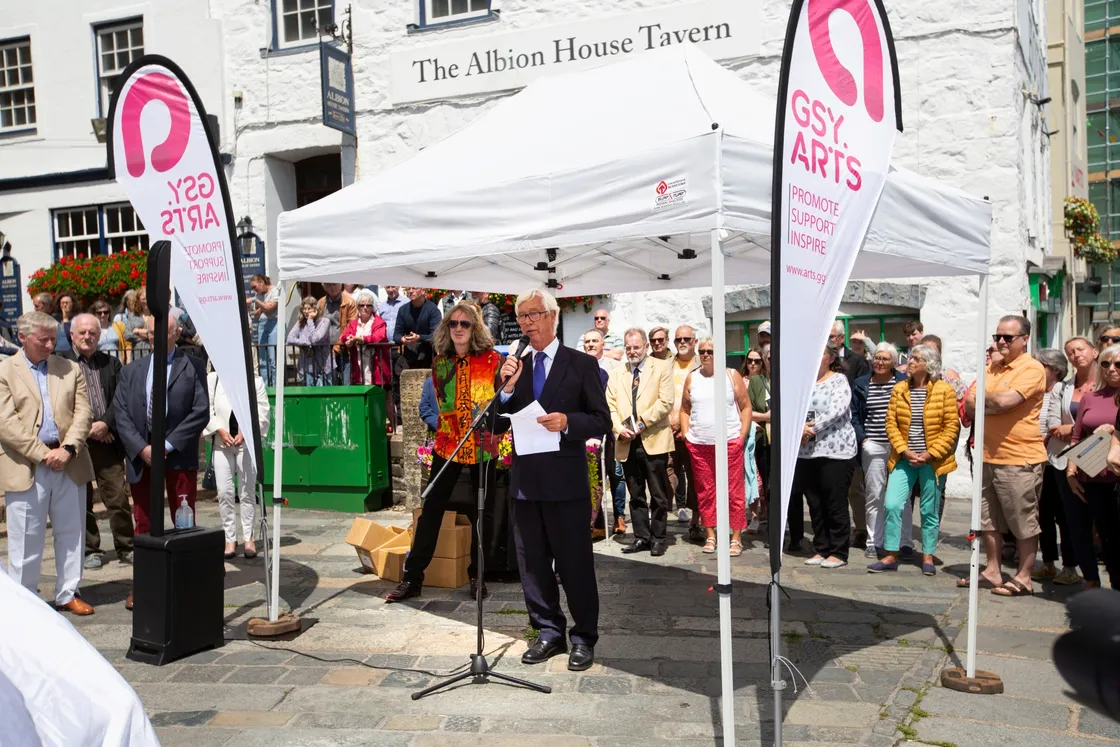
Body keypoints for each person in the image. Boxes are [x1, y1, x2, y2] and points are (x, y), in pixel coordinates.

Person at [497, 289, 610, 672]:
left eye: (533, 315)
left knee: (575, 563)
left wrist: (567, 423)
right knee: (532, 565)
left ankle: (583, 637)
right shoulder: (517, 365)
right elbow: (498, 422)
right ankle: (547, 631)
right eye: (522, 316)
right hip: (527, 484)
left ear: (552, 316)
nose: (526, 322)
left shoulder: (580, 364)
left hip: (566, 485)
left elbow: (601, 420)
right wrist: (507, 388)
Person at [386, 301, 506, 603]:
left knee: (483, 513)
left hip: (482, 447)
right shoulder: (440, 364)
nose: (459, 329)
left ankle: (478, 575)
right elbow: (442, 404)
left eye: (465, 324)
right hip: (449, 445)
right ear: (446, 328)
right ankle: (413, 578)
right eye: (453, 323)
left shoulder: (493, 360)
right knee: (431, 512)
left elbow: (502, 402)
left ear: (475, 327)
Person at [112, 312, 209, 610]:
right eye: (151, 331)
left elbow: (200, 411)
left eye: (161, 331)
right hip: (142, 459)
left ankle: (184, 582)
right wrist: (142, 448)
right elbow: (121, 412)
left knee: (184, 520)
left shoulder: (191, 365)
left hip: (177, 455)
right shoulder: (133, 370)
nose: (154, 336)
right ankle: (145, 584)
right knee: (143, 523)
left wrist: (165, 445)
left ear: (177, 332)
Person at [0, 312, 95, 614]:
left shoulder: (70, 368)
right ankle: (25, 603)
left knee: (72, 532)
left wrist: (67, 448)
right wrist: (43, 453)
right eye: (43, 339)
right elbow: (6, 423)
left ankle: (68, 592)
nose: (51, 344)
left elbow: (84, 412)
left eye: (54, 338)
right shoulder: (5, 371)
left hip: (69, 461)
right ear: (23, 338)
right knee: (26, 538)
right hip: (26, 465)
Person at [964, 315, 1046, 598]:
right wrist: (994, 404)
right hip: (987, 454)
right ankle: (992, 570)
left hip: (1019, 457)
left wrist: (991, 402)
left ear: (1024, 339)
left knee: (1022, 520)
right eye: (997, 336)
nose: (1000, 342)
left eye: (1007, 338)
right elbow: (970, 404)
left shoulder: (1032, 369)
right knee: (988, 519)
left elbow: (1007, 401)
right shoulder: (992, 367)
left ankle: (1024, 577)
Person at [867, 345, 958, 574]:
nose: (910, 362)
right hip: (903, 458)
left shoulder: (944, 390)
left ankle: (927, 556)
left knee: (929, 509)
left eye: (916, 359)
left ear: (929, 364)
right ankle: (890, 555)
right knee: (892, 504)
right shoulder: (900, 389)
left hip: (933, 462)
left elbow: (951, 427)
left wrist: (931, 453)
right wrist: (904, 450)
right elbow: (891, 423)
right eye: (910, 358)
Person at [61, 314, 133, 570]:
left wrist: (105, 423)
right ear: (72, 334)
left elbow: (120, 397)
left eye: (92, 332)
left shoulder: (110, 363)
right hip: (75, 443)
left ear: (99, 336)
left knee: (117, 496)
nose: (87, 337)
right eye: (82, 332)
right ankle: (90, 549)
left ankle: (127, 546)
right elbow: (57, 404)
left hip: (107, 439)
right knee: (83, 499)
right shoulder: (59, 363)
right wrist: (87, 429)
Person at [679, 337, 752, 556]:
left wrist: (741, 436)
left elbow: (746, 407)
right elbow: (684, 408)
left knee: (734, 492)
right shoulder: (692, 378)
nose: (705, 355)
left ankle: (736, 536)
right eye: (702, 351)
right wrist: (686, 435)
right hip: (700, 445)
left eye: (710, 351)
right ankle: (711, 534)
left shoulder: (731, 375)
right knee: (705, 492)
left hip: (729, 441)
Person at [607, 328, 675, 556]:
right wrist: (619, 428)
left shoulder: (662, 368)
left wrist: (640, 424)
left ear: (646, 347)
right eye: (628, 347)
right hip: (627, 442)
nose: (632, 351)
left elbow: (666, 402)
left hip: (652, 439)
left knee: (658, 494)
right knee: (635, 495)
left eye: (636, 347)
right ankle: (641, 537)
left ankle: (658, 537)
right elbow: (611, 406)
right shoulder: (617, 373)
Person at [791, 340, 857, 567]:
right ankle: (821, 548)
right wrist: (798, 428)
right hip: (807, 452)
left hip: (835, 452)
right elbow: (792, 407)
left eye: (821, 354)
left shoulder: (839, 380)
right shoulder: (803, 382)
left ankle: (839, 552)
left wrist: (811, 428)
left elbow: (837, 410)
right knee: (815, 503)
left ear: (830, 358)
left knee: (834, 502)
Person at [1066, 344, 1120, 590]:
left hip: (1116, 477)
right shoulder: (1090, 396)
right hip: (1094, 476)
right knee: (1102, 536)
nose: (1111, 369)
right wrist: (1071, 470)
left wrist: (1112, 430)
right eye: (1106, 364)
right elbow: (1076, 436)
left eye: (1118, 364)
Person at [202, 370, 270, 559]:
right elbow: (206, 410)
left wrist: (246, 433)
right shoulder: (213, 379)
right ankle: (230, 538)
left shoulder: (255, 381)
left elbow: (263, 413)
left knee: (247, 492)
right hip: (221, 444)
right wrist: (220, 430)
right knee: (224, 492)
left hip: (245, 444)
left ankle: (249, 537)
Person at [850, 342, 907, 558]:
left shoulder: (903, 383)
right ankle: (874, 540)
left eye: (884, 359)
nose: (879, 362)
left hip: (898, 446)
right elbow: (854, 415)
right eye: (876, 358)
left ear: (893, 362)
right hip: (872, 444)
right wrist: (863, 439)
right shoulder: (861, 383)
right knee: (874, 494)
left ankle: (903, 541)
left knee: (901, 496)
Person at [1035, 347, 1081, 585]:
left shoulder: (1063, 391)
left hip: (1061, 457)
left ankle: (1070, 567)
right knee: (1043, 513)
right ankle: (1049, 563)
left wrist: (1058, 431)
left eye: (1040, 365)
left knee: (1065, 515)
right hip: (1040, 459)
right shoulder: (1033, 391)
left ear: (1055, 370)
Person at [583, 329, 626, 534]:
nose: (591, 344)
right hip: (581, 434)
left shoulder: (606, 372)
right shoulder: (578, 368)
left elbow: (605, 406)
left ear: (603, 345)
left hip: (602, 436)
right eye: (587, 341)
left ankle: (611, 518)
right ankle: (597, 523)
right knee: (589, 480)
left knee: (606, 478)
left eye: (595, 341)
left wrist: (598, 435)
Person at [669, 326, 702, 538]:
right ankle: (662, 518)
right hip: (667, 431)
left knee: (696, 477)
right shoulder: (666, 365)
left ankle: (696, 522)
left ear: (694, 342)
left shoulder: (704, 364)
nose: (682, 342)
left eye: (686, 339)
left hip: (694, 431)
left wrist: (684, 426)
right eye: (678, 339)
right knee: (666, 473)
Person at [340, 288, 391, 387]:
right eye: (361, 305)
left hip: (376, 367)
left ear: (372, 307)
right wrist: (349, 340)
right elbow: (344, 336)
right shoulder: (353, 324)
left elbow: (378, 337)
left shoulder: (379, 322)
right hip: (358, 366)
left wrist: (361, 339)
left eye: (368, 305)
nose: (365, 308)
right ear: (357, 307)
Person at [744, 345, 770, 531]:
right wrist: (766, 417)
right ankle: (754, 515)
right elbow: (744, 411)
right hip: (754, 435)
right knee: (752, 476)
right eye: (750, 360)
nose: (753, 364)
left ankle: (770, 514)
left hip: (770, 439)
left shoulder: (766, 381)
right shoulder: (748, 381)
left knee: (768, 479)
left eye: (757, 361)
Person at [286, 296, 333, 385]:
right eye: (304, 309)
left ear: (315, 309)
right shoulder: (300, 323)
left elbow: (315, 339)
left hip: (323, 365)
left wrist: (310, 321)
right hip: (307, 365)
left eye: (309, 308)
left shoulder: (325, 322)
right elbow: (289, 338)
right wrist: (305, 343)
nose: (306, 311)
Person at [393, 287, 441, 371]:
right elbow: (396, 335)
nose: (411, 291)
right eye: (409, 288)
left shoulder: (433, 310)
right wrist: (403, 339)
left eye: (414, 288)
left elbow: (436, 335)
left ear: (423, 291)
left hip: (428, 356)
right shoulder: (402, 310)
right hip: (409, 356)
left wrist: (419, 337)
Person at [246, 275, 280, 386]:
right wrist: (262, 306)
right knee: (263, 359)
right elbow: (256, 314)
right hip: (262, 324)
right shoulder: (258, 295)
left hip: (274, 323)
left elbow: (270, 308)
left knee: (273, 358)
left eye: (255, 287)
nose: (254, 290)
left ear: (261, 282)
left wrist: (257, 302)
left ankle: (275, 386)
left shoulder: (275, 291)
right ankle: (265, 385)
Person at [318, 283, 358, 375]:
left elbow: (351, 327)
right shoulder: (321, 302)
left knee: (346, 385)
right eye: (328, 285)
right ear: (324, 287)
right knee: (330, 385)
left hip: (344, 350)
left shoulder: (349, 302)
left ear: (340, 285)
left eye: (334, 284)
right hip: (326, 351)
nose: (332, 288)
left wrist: (336, 348)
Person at [117, 289, 151, 363]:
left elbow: (159, 334)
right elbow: (127, 335)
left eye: (148, 298)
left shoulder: (156, 315)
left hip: (152, 352)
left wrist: (138, 331)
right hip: (137, 355)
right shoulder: (133, 316)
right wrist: (147, 336)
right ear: (138, 300)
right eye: (143, 299)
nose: (146, 301)